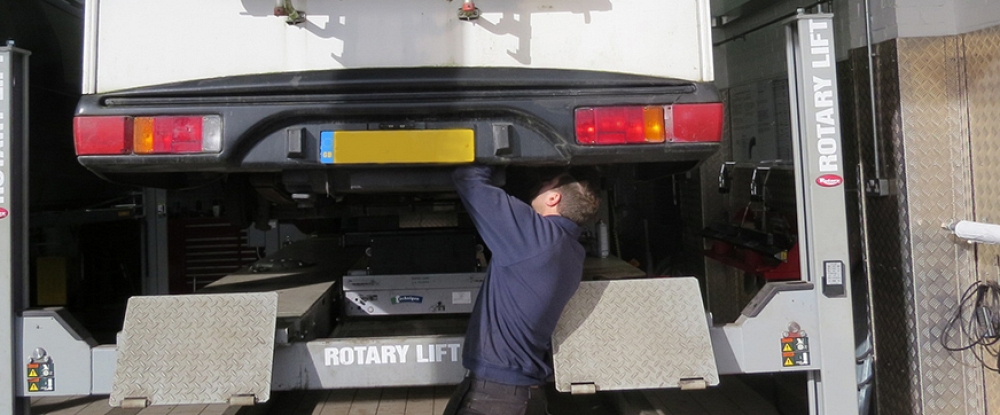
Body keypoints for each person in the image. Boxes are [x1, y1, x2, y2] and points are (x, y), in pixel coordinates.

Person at [445, 164, 601, 415]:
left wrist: (491, 143)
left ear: (554, 198)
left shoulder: (537, 238)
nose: (536, 189)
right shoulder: (571, 250)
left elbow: (468, 179)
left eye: (544, 185)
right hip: (513, 392)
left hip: (497, 398)